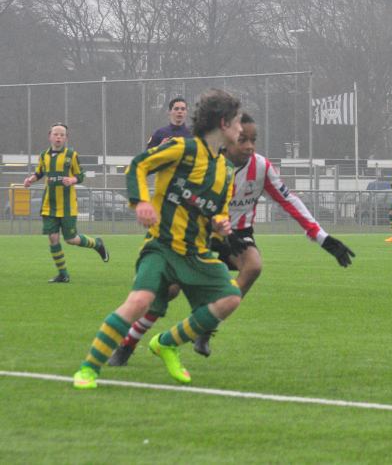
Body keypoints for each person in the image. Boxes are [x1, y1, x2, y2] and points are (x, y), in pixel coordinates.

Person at [107, 113, 355, 365]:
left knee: (254, 266)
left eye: (253, 139)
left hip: (237, 234)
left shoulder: (261, 167)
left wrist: (321, 237)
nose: (249, 145)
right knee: (168, 289)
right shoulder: (206, 163)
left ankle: (206, 326)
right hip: (200, 232)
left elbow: (287, 199)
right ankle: (127, 345)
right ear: (226, 140)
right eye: (242, 139)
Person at [72, 88, 242, 389]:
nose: (242, 129)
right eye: (238, 122)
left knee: (230, 298)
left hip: (196, 254)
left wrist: (220, 223)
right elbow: (138, 165)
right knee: (140, 300)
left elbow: (217, 212)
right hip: (162, 248)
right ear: (224, 123)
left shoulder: (224, 171)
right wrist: (141, 202)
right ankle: (89, 369)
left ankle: (166, 343)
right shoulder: (183, 148)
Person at [23, 122, 109, 283]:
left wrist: (73, 179)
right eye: (56, 134)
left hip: (68, 205)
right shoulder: (44, 155)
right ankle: (63, 274)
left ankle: (97, 244)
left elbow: (81, 175)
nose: (58, 137)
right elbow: (40, 172)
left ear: (66, 138)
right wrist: (30, 180)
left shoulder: (71, 155)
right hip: (49, 205)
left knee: (71, 239)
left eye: (62, 135)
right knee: (53, 238)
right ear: (50, 136)